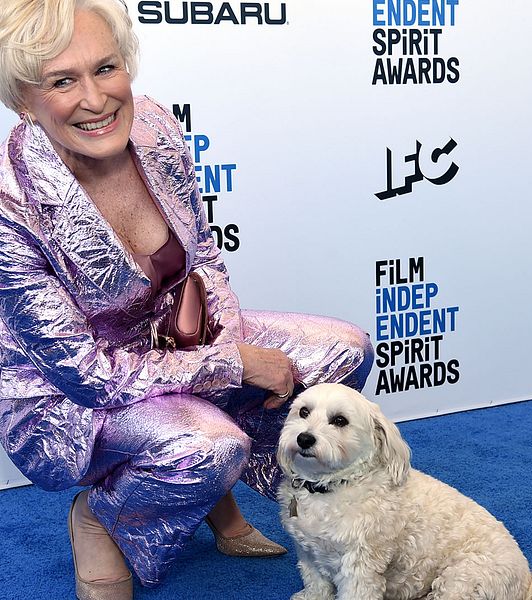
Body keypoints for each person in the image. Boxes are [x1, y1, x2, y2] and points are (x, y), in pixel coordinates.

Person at [0, 1, 374, 598]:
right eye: (62, 81)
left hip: (175, 341)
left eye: (107, 68)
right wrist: (232, 364)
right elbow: (85, 373)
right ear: (24, 99)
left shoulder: (152, 125)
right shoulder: (8, 206)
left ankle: (213, 487)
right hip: (67, 395)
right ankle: (100, 516)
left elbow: (203, 256)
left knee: (341, 352)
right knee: (209, 446)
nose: (96, 99)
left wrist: (224, 340)